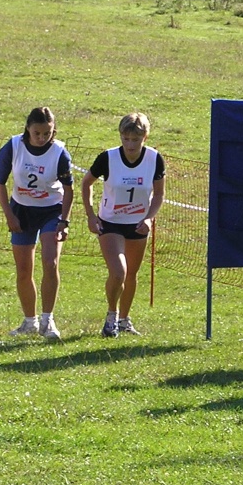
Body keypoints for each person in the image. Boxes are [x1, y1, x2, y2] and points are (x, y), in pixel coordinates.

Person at [0, 107, 74, 342]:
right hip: (22, 210)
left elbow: (69, 190)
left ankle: (48, 320)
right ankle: (30, 321)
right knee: (24, 269)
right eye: (37, 133)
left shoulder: (59, 152)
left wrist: (64, 221)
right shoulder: (14, 146)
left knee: (50, 262)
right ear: (28, 128)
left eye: (47, 133)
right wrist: (9, 215)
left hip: (51, 211)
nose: (42, 138)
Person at [81, 112, 165, 338]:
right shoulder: (108, 158)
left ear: (145, 137)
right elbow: (86, 183)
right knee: (119, 272)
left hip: (137, 224)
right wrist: (91, 215)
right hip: (110, 222)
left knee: (131, 274)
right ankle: (111, 316)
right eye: (125, 139)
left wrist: (148, 218)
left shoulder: (154, 159)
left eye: (135, 139)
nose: (130, 144)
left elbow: (159, 194)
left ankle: (124, 320)